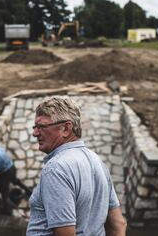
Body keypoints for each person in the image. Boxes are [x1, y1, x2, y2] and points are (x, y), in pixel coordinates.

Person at [26, 97, 127, 236]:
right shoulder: (97, 161)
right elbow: (118, 224)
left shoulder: (56, 169)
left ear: (66, 128)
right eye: (35, 127)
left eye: (41, 127)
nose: (35, 133)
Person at [0, 144, 32, 215]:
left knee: (4, 192)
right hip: (12, 167)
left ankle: (8, 210)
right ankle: (29, 191)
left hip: (6, 173)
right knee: (16, 181)